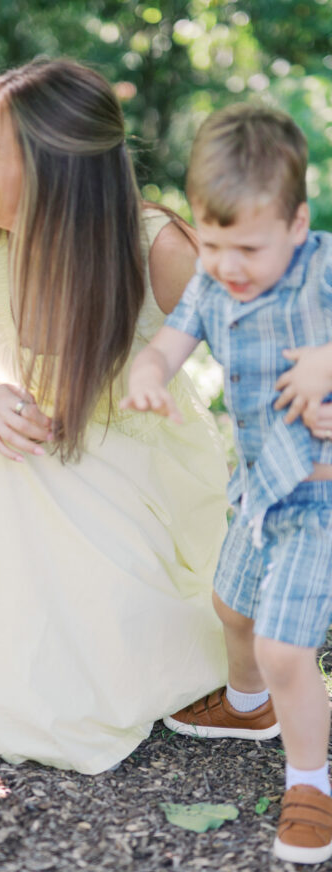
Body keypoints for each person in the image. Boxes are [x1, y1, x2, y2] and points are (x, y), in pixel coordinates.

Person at [0, 58, 230, 774]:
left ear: (55, 168)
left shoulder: (155, 244)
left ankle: (135, 654)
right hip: (22, 457)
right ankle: (16, 674)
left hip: (141, 470)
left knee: (55, 471)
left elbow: (262, 362)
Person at [122, 103, 332, 865]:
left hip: (319, 496)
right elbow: (172, 341)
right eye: (211, 245)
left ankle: (311, 782)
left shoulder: (325, 267)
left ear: (297, 223)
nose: (228, 264)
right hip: (258, 493)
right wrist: (148, 374)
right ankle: (248, 708)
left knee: (284, 647)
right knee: (230, 606)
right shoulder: (214, 284)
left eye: (247, 247)